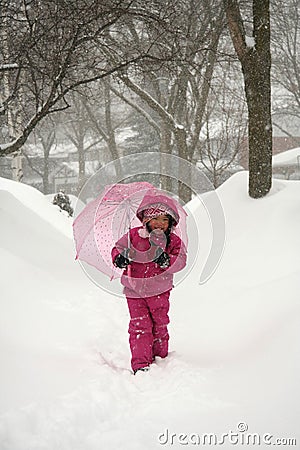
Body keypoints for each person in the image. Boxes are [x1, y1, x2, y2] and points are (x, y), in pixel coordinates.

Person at [111, 195, 187, 375]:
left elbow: (181, 260)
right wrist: (119, 258)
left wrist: (167, 261)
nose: (160, 224)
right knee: (140, 326)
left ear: (171, 223)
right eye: (155, 219)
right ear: (145, 220)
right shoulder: (133, 236)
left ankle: (160, 356)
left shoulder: (173, 241)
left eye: (164, 220)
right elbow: (117, 248)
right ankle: (141, 363)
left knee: (159, 324)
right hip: (134, 290)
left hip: (160, 291)